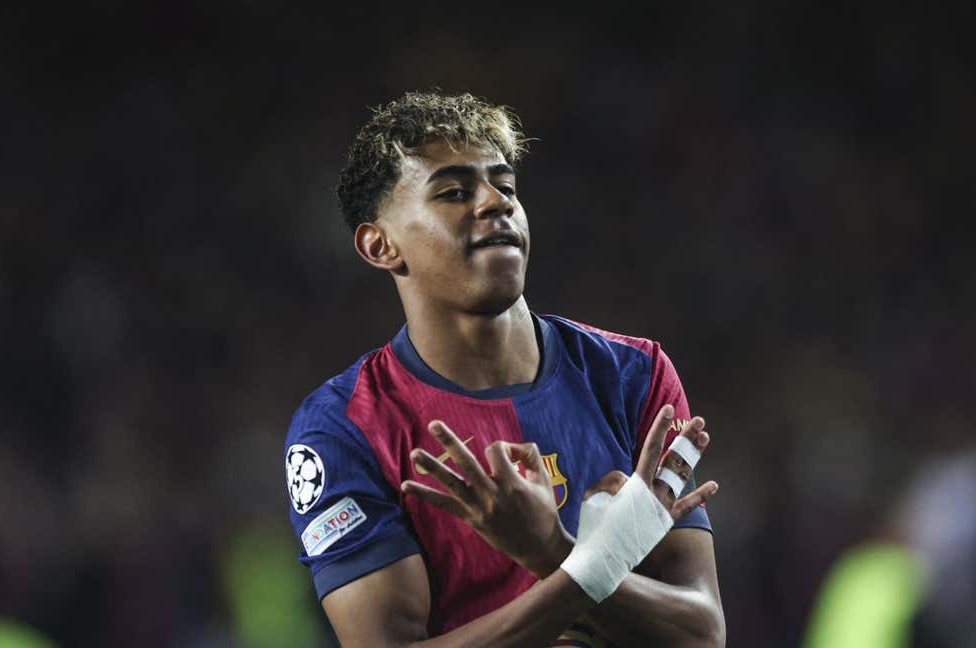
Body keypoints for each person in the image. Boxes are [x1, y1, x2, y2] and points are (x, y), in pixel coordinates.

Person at [285, 91, 725, 647]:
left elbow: (702, 636)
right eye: (453, 192)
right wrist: (596, 566)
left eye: (506, 186)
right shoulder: (343, 426)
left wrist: (551, 552)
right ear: (381, 245)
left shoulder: (635, 376)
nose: (496, 203)